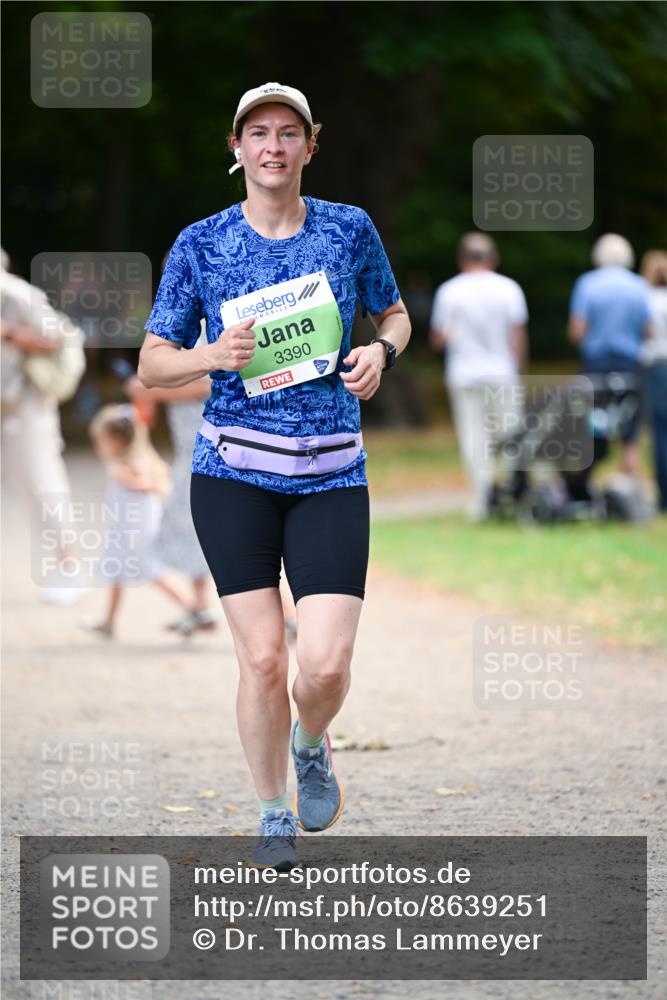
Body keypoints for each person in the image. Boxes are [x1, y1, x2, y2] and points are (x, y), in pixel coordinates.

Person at [138, 82, 411, 870]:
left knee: (323, 666)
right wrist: (209, 355)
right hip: (233, 472)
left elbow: (393, 313)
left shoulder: (348, 229)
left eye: (288, 132)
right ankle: (271, 815)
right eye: (257, 132)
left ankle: (310, 742)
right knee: (262, 659)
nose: (272, 146)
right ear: (237, 147)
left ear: (309, 145)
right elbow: (154, 362)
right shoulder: (201, 242)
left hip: (331, 474)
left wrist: (380, 352)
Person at [1, 250, 86, 603]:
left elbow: (56, 340)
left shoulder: (17, 295)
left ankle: (70, 566)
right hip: (9, 407)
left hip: (28, 405)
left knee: (42, 483)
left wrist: (8, 332)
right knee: (27, 487)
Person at [429, 232, 528, 521]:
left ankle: (484, 498)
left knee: (473, 436)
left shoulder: (450, 291)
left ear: (462, 259)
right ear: (493, 258)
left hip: (464, 373)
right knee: (510, 433)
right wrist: (518, 369)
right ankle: (514, 492)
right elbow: (517, 335)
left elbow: (439, 339)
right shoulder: (508, 288)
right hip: (502, 371)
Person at [84, 404, 199, 638]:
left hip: (138, 535)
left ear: (117, 441)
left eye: (101, 442)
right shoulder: (130, 464)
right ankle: (109, 621)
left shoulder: (135, 465)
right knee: (116, 574)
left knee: (153, 573)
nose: (98, 448)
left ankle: (193, 609)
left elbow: (153, 484)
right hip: (123, 533)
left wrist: (131, 479)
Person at [568, 233, 653, 479]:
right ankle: (628, 487)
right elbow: (648, 330)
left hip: (595, 364)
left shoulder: (587, 284)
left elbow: (577, 330)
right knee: (630, 432)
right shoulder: (638, 285)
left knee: (593, 426)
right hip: (629, 364)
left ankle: (584, 485)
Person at [639, 250, 667, 513]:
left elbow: (645, 332)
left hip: (657, 368)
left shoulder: (645, 299)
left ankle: (664, 496)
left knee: (660, 433)